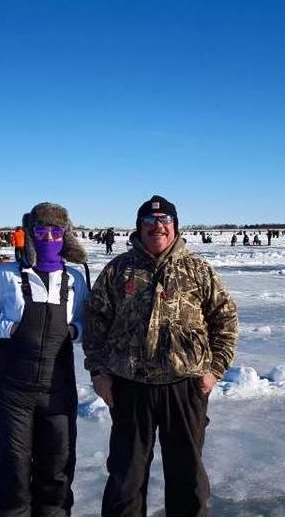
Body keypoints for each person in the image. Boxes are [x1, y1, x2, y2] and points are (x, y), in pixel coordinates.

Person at [83, 195, 238, 516]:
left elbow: (225, 320)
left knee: (187, 477)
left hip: (185, 386)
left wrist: (215, 370)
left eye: (165, 220)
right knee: (126, 476)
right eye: (150, 221)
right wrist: (99, 372)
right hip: (129, 385)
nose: (158, 226)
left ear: (175, 227)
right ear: (139, 227)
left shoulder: (198, 269)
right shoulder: (119, 269)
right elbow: (95, 321)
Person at [0, 203, 89, 516]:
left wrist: (75, 331)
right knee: (12, 469)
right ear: (31, 234)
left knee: (57, 467)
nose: (49, 237)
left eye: (56, 231)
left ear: (66, 235)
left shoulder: (75, 279)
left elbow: (91, 323)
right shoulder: (8, 274)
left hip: (58, 390)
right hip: (11, 392)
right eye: (41, 231)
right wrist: (9, 328)